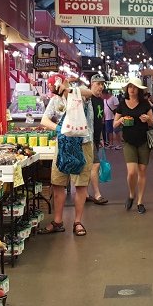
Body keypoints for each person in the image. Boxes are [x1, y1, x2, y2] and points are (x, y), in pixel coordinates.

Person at [39, 75, 95, 237]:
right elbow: (44, 120)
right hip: (63, 145)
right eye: (53, 86)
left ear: (65, 82)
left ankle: (77, 221)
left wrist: (70, 90)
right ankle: (57, 221)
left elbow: (90, 92)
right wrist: (59, 129)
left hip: (83, 144)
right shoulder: (55, 100)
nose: (56, 88)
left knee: (80, 184)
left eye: (57, 84)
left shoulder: (79, 93)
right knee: (58, 182)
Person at [113, 77, 153, 214]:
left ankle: (140, 201)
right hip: (129, 142)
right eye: (130, 87)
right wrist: (121, 120)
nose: (132, 89)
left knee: (142, 171)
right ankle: (131, 194)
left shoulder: (145, 104)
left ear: (138, 90)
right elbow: (114, 124)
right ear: (127, 89)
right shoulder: (122, 104)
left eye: (134, 87)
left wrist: (148, 119)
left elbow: (152, 123)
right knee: (131, 172)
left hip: (143, 141)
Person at [87, 75, 108, 205]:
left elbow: (99, 120)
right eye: (98, 84)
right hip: (87, 138)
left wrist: (100, 137)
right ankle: (97, 194)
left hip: (95, 137)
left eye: (102, 84)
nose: (101, 87)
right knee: (95, 164)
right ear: (92, 84)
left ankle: (84, 193)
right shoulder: (87, 99)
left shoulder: (100, 100)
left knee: (88, 166)